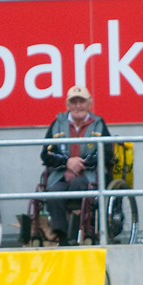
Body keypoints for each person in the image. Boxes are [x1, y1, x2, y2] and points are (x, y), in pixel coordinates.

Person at [40, 85, 114, 245]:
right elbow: (46, 153)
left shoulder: (98, 124)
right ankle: (62, 236)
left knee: (78, 185)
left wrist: (80, 164)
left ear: (89, 104)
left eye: (82, 102)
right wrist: (67, 163)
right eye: (74, 102)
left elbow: (107, 153)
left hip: (88, 175)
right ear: (67, 105)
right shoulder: (57, 123)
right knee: (53, 193)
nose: (78, 106)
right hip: (60, 175)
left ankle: (79, 231)